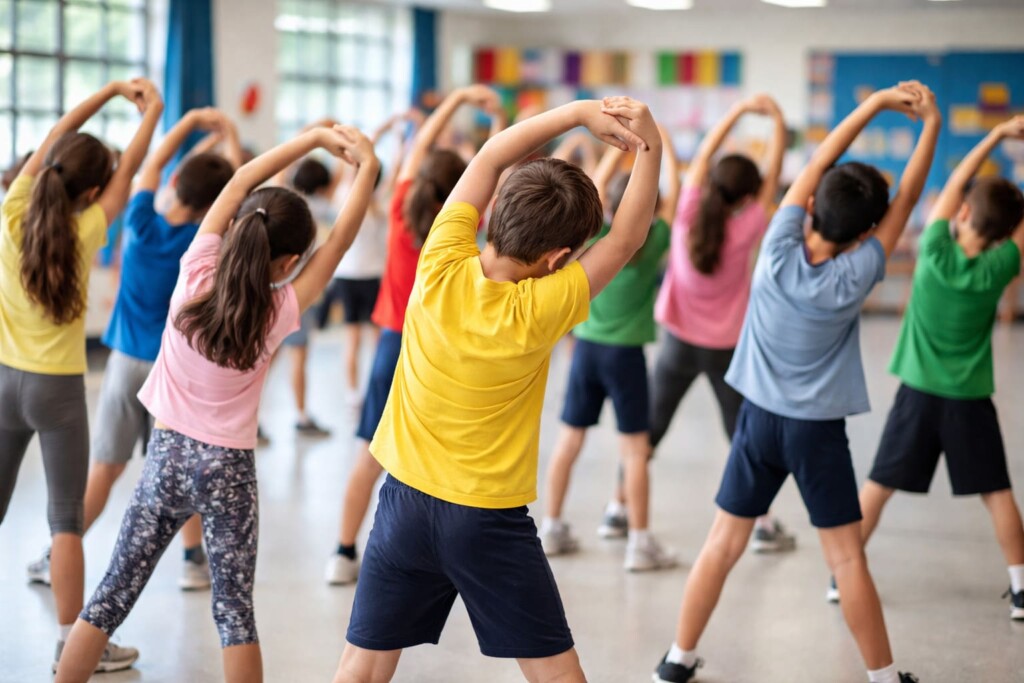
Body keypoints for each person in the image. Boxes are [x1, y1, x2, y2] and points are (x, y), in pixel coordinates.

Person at [331, 96, 659, 683]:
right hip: (485, 518)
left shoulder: (440, 259)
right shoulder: (544, 305)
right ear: (558, 258)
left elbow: (487, 156)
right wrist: (648, 145)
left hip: (402, 500)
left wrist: (578, 112)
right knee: (556, 673)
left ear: (496, 211)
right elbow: (629, 236)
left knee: (363, 665)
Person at [53, 124, 379, 683]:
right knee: (234, 615)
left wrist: (308, 141)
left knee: (107, 598)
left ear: (234, 228)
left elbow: (245, 178)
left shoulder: (196, 269)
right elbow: (341, 242)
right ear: (289, 261)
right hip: (227, 468)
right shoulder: (281, 310)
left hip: (166, 455)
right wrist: (367, 168)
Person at [652, 81, 938, 683]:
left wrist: (873, 106)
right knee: (846, 557)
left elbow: (815, 163)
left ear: (808, 207)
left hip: (756, 423)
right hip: (816, 434)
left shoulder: (776, 246)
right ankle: (884, 678)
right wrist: (930, 123)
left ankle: (677, 661)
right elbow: (908, 196)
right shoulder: (860, 270)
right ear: (866, 234)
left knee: (721, 546)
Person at [25, 107, 239, 593]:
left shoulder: (140, 221)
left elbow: (151, 166)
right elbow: (235, 193)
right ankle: (191, 561)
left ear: (177, 185)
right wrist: (230, 136)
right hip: (169, 373)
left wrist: (186, 125)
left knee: (105, 467)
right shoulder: (204, 243)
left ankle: (51, 553)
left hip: (123, 364)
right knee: (178, 470)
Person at [0, 78, 162, 674]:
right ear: (92, 190)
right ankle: (74, 647)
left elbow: (53, 138)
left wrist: (111, 92)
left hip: (2, 382)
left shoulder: (13, 207)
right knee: (65, 521)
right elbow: (135, 168)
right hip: (58, 390)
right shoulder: (88, 227)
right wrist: (153, 111)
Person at [594, 93, 793, 552]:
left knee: (650, 428)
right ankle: (762, 521)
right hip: (726, 347)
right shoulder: (750, 226)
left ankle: (617, 507)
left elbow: (702, 157)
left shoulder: (684, 212)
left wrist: (738, 113)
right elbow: (773, 177)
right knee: (741, 431)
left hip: (678, 343)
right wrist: (776, 120)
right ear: (747, 197)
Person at [324, 85, 501, 585]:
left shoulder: (402, 205)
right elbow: (495, 166)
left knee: (371, 452)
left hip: (393, 343)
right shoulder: (464, 228)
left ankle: (342, 550)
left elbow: (420, 146)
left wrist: (455, 99)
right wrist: (498, 117)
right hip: (441, 352)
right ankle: (442, 560)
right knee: (438, 459)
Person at [848, 115, 1024, 620]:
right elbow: (1009, 228)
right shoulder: (1003, 265)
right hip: (970, 398)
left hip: (918, 395)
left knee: (878, 487)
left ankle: (846, 575)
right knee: (997, 492)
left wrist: (992, 137)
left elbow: (946, 192)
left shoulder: (933, 250)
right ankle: (1020, 588)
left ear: (964, 211)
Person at [539, 126, 680, 571]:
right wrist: (660, 147)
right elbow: (670, 195)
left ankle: (551, 526)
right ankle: (639, 542)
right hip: (627, 357)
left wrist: (611, 154)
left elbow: (595, 192)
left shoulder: (594, 232)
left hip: (587, 351)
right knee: (634, 451)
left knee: (569, 440)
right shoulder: (653, 237)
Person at [317, 114, 411, 410]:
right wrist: (396, 136)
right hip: (367, 277)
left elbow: (362, 170)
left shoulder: (351, 197)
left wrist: (384, 130)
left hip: (350, 277)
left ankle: (353, 392)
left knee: (354, 340)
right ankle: (368, 389)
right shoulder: (378, 202)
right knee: (372, 340)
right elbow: (396, 171)